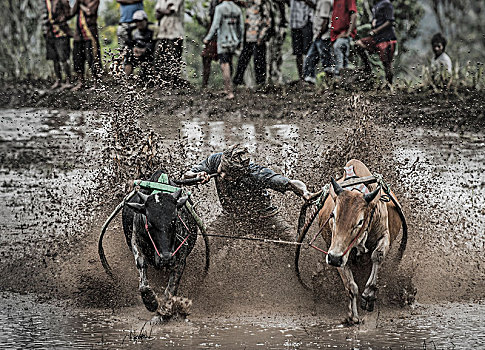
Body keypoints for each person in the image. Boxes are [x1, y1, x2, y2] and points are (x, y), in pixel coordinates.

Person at [183, 145, 316, 237]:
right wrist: (197, 176)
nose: (223, 176)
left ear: (242, 173)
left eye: (230, 175)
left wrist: (305, 192)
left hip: (265, 217)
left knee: (296, 246)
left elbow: (290, 183)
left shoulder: (256, 174)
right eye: (222, 171)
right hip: (231, 217)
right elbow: (185, 176)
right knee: (204, 247)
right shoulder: (215, 160)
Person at [203, 0, 244, 99]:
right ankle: (227, 89)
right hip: (233, 41)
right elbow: (241, 27)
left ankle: (229, 92)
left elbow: (215, 25)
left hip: (223, 41)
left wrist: (207, 38)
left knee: (224, 65)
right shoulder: (237, 9)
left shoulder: (220, 8)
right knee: (229, 63)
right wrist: (240, 40)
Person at [355, 0, 397, 85]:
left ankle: (390, 86)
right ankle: (368, 68)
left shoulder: (386, 3)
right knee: (358, 44)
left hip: (387, 39)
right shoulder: (375, 5)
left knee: (387, 64)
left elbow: (390, 21)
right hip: (376, 39)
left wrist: (376, 31)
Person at [233, 0, 272, 87]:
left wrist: (261, 36)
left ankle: (261, 84)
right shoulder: (249, 3)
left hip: (258, 37)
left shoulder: (262, 3)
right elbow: (239, 2)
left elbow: (268, 21)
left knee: (259, 61)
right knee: (243, 59)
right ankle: (237, 82)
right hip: (248, 36)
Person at [71, 0, 101, 90]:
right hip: (78, 35)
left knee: (92, 58)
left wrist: (81, 4)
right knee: (77, 59)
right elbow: (71, 13)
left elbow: (89, 11)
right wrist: (77, 3)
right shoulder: (80, 2)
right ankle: (81, 83)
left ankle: (97, 83)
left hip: (90, 34)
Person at [43, 0, 73, 90]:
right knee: (54, 59)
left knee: (63, 58)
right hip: (50, 33)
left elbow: (68, 13)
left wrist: (60, 21)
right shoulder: (45, 2)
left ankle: (68, 81)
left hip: (61, 32)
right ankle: (59, 80)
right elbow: (44, 15)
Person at [302, 0, 333, 84]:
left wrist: (320, 33)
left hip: (323, 36)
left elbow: (325, 20)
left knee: (326, 60)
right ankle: (310, 79)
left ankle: (331, 82)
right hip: (318, 36)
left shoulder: (325, 1)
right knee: (311, 58)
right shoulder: (319, 2)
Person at [155, 0, 185, 82]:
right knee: (158, 57)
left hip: (175, 33)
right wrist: (164, 10)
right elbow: (157, 15)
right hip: (162, 33)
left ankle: (173, 82)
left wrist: (161, 10)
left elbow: (170, 11)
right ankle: (159, 81)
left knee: (174, 58)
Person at [123, 10, 154, 77]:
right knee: (128, 56)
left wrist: (144, 50)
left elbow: (154, 44)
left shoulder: (152, 30)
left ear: (145, 20)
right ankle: (126, 79)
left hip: (148, 54)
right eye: (136, 21)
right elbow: (129, 44)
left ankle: (156, 79)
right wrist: (134, 49)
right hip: (136, 53)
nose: (138, 23)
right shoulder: (132, 31)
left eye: (140, 21)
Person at [329, 0, 357, 75]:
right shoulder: (335, 1)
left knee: (338, 47)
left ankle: (340, 76)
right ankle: (342, 78)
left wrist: (348, 33)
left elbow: (354, 14)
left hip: (344, 35)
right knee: (340, 60)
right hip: (336, 36)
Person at [290, 0, 315, 79]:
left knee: (308, 51)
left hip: (306, 22)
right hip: (294, 23)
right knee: (298, 52)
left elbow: (314, 5)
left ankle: (309, 76)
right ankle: (301, 77)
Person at [201, 0, 221, 89]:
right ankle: (204, 84)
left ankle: (229, 86)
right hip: (213, 34)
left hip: (221, 34)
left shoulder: (225, 5)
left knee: (226, 60)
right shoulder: (214, 2)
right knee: (206, 58)